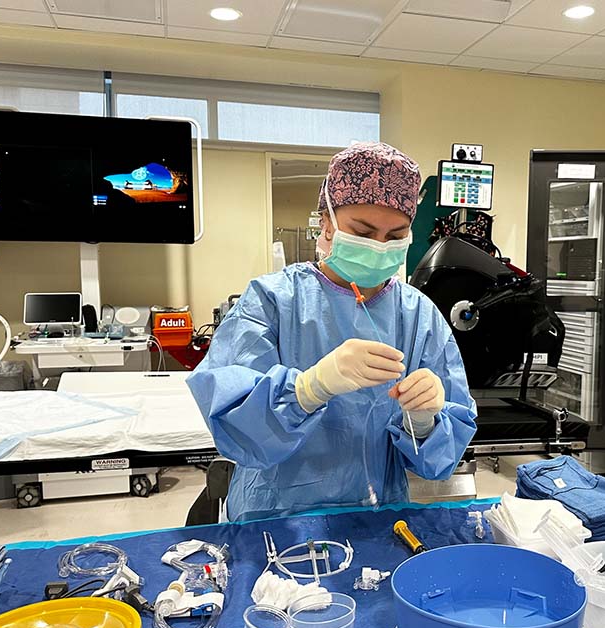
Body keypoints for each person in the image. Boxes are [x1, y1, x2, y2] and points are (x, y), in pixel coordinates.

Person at [188, 142, 477, 522]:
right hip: (274, 520)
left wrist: (424, 421)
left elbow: (439, 462)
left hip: (378, 518)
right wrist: (309, 388)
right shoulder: (272, 301)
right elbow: (235, 429)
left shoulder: (418, 315)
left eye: (395, 236)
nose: (379, 248)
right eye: (363, 231)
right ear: (326, 220)